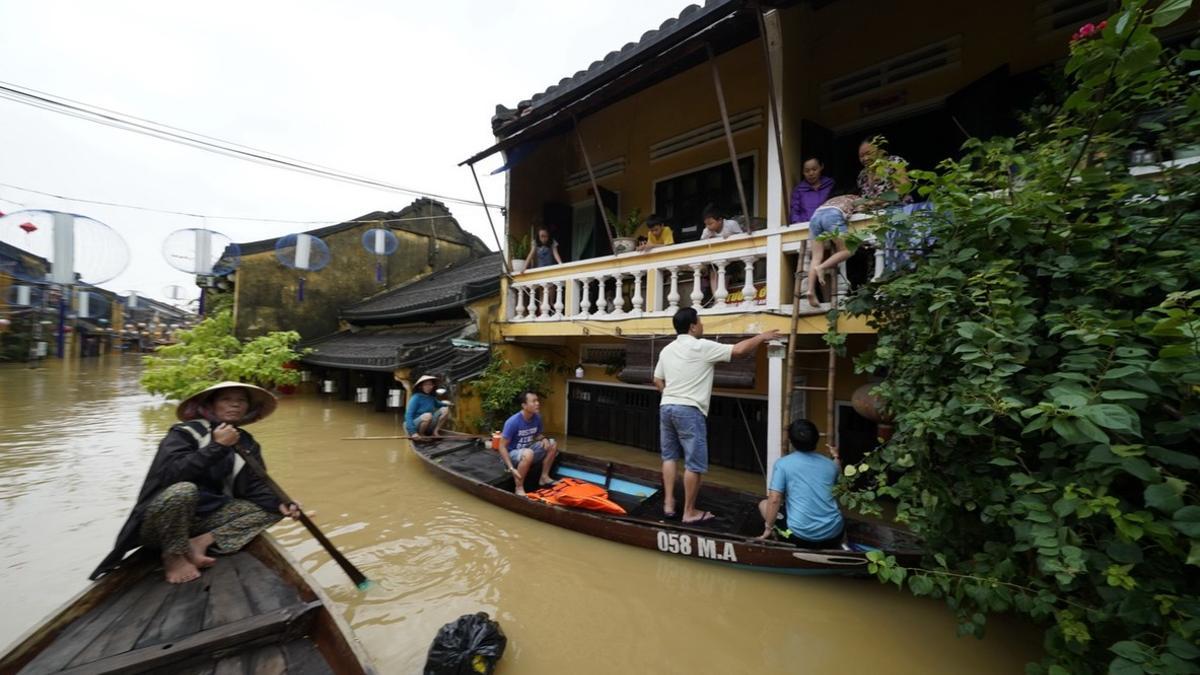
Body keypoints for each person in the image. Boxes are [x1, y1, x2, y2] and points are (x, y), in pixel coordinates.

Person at [91, 382, 301, 583]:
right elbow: (169, 475)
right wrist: (217, 446)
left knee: (274, 510)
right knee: (183, 491)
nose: (235, 404)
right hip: (161, 524)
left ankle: (200, 542)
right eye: (226, 399)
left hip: (202, 522)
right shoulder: (185, 433)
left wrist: (280, 502)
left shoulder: (246, 442)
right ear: (210, 405)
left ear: (248, 408)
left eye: (241, 400)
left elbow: (254, 486)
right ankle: (173, 556)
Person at [654, 308, 779, 523]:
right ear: (693, 326)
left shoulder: (667, 349)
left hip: (667, 406)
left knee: (669, 456)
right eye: (700, 321)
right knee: (694, 464)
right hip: (689, 410)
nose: (702, 325)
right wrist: (761, 337)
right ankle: (689, 512)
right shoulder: (701, 346)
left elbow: (657, 380)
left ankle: (668, 503)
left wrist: (672, 394)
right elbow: (738, 351)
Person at [757, 418, 845, 548]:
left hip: (801, 537)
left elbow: (774, 499)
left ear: (791, 442)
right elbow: (842, 487)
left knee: (764, 504)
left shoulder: (783, 464)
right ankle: (843, 542)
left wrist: (768, 528)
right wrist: (836, 457)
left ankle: (776, 535)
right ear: (816, 439)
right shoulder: (831, 465)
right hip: (835, 534)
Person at [499, 391, 559, 496]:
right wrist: (511, 468)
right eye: (533, 401)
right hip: (511, 456)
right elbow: (502, 446)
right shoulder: (513, 422)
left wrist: (544, 438)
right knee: (528, 453)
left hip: (527, 451)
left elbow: (537, 434)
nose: (537, 403)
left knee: (552, 444)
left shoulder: (537, 417)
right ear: (524, 405)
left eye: (537, 401)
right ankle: (519, 487)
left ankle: (544, 477)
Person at [807, 193, 861, 306]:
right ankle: (821, 267)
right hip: (832, 216)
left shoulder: (833, 199)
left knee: (816, 257)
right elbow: (862, 208)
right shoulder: (856, 199)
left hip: (815, 217)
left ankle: (810, 290)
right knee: (848, 250)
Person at [857, 139, 911, 206]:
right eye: (861, 156)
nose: (865, 158)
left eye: (868, 153)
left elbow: (903, 188)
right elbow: (864, 198)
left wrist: (876, 202)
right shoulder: (862, 174)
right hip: (874, 213)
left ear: (880, 152)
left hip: (899, 208)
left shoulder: (893, 162)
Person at [790, 157, 836, 224]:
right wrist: (798, 224)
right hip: (805, 227)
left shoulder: (830, 185)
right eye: (807, 171)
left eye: (814, 169)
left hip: (828, 225)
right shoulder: (799, 190)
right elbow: (795, 211)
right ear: (803, 172)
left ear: (821, 167)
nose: (811, 173)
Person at [405, 374, 450, 438]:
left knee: (445, 409)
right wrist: (413, 432)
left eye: (430, 384)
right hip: (416, 424)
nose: (429, 387)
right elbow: (408, 415)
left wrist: (446, 403)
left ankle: (435, 431)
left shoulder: (431, 397)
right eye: (426, 384)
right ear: (421, 386)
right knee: (427, 415)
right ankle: (421, 434)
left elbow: (438, 404)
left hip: (429, 422)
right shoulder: (416, 397)